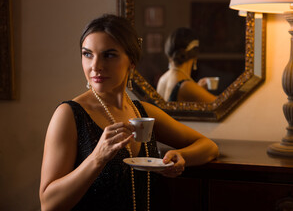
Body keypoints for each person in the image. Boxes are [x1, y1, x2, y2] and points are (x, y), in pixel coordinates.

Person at [39, 14, 219, 211]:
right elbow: (49, 204)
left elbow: (208, 147)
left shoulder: (143, 112)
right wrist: (97, 157)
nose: (95, 66)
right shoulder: (69, 115)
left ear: (132, 62)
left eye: (109, 55)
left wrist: (179, 156)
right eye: (87, 54)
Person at [156, 27, 217, 102]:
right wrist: (196, 89)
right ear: (195, 56)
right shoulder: (186, 86)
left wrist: (198, 89)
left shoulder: (162, 79)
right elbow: (221, 106)